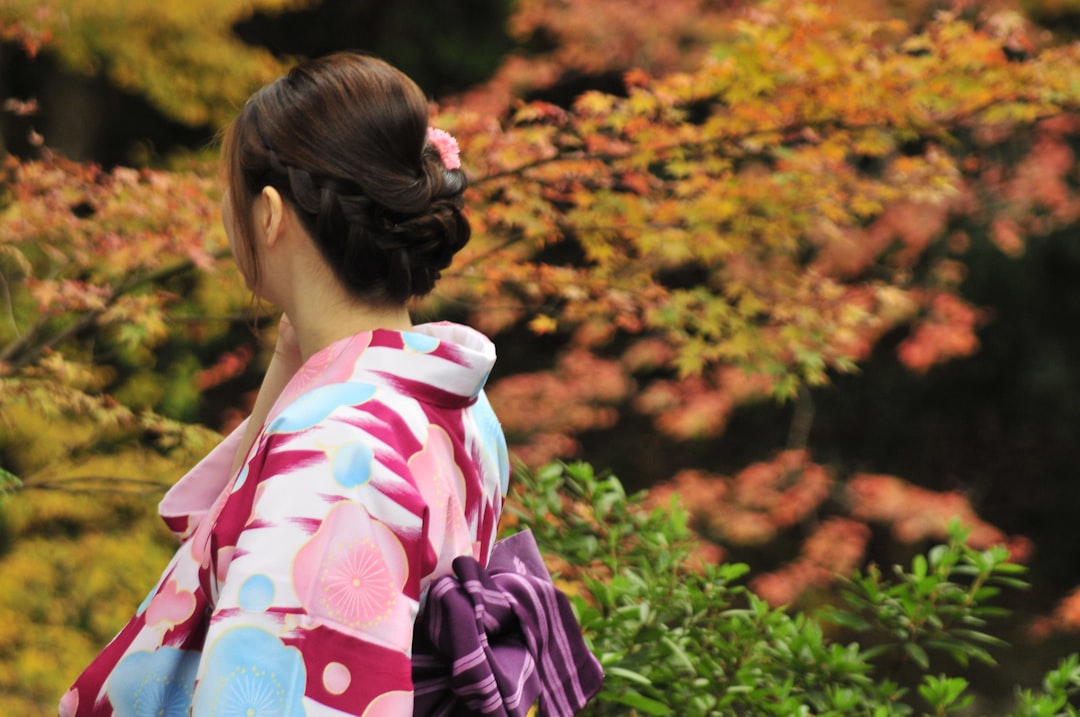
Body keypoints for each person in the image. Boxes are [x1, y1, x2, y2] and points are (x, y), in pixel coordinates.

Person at [58, 52, 516, 716]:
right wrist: (290, 370)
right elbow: (220, 541)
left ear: (269, 214)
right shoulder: (452, 398)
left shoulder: (333, 454)